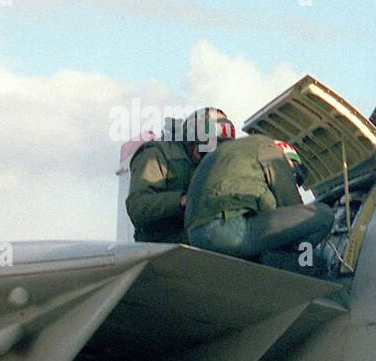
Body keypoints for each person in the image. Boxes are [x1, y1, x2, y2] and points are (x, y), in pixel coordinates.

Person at [184, 133, 334, 265]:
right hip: (229, 229)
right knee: (322, 215)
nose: (294, 181)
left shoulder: (237, 156)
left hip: (196, 234)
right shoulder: (272, 152)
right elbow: (293, 208)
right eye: (293, 175)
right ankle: (298, 264)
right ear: (287, 160)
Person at [126, 108, 235, 243]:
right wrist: (183, 201)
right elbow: (138, 206)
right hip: (162, 246)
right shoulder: (157, 153)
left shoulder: (216, 162)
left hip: (201, 238)